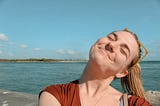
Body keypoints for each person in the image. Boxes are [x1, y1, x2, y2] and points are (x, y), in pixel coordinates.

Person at [39, 28, 151, 106]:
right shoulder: (55, 94)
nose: (112, 45)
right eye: (111, 37)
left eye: (123, 50)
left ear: (122, 73)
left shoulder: (136, 104)